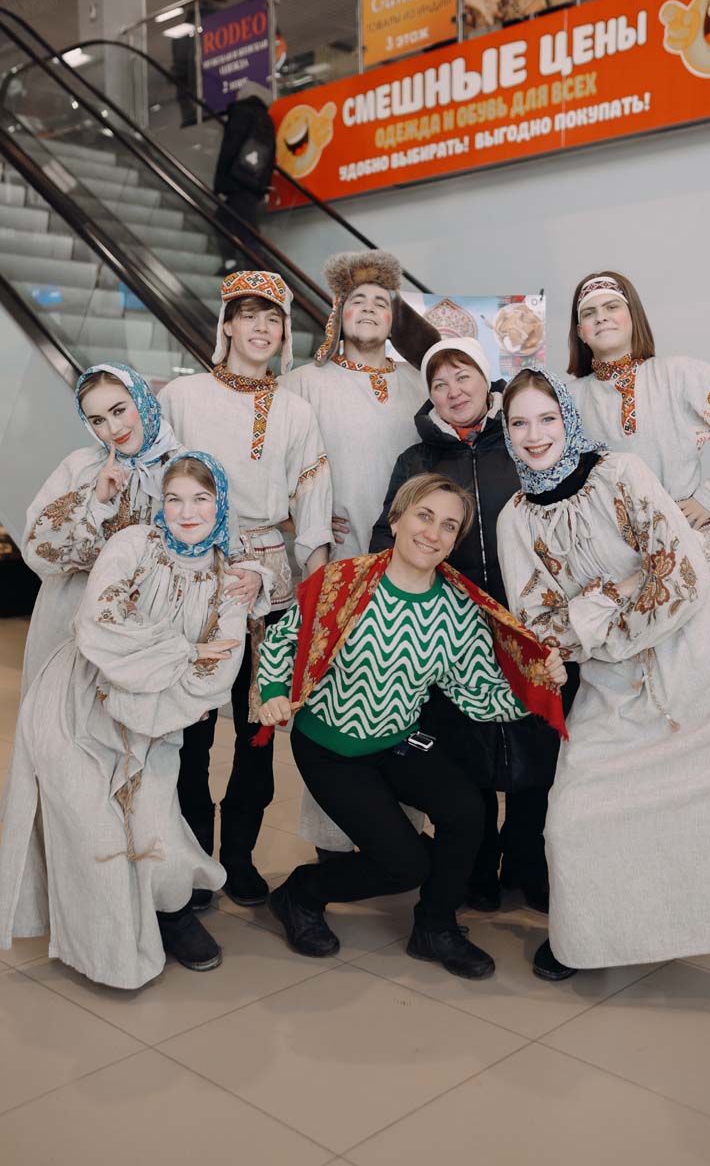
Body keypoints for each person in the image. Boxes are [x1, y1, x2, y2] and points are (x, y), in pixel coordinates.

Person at [497, 368, 710, 980]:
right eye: (519, 423)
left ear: (568, 421)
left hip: (702, 655)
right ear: (505, 432)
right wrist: (615, 596)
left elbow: (680, 576)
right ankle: (588, 938)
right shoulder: (516, 519)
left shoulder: (621, 473)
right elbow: (542, 622)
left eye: (548, 418)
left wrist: (592, 618)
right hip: (614, 681)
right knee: (577, 814)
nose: (535, 435)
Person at [256, 473, 567, 979]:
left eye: (449, 525)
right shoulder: (343, 582)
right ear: (396, 519)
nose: (433, 533)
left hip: (398, 740)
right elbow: (282, 640)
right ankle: (300, 893)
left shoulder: (457, 608)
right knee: (405, 865)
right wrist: (272, 693)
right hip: (331, 748)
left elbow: (479, 692)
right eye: (425, 516)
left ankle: (435, 926)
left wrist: (541, 682)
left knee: (467, 812)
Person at [0, 453, 248, 988]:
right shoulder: (133, 543)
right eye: (174, 498)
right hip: (73, 703)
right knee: (93, 829)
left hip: (155, 722)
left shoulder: (230, 579)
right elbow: (100, 624)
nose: (186, 512)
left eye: (201, 499)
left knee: (157, 829)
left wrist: (156, 671)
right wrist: (184, 650)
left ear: (220, 504)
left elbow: (216, 674)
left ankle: (171, 916)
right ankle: (108, 952)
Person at [371, 337, 579, 912]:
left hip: (531, 623)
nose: (453, 391)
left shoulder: (520, 442)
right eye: (439, 383)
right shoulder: (417, 460)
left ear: (486, 380)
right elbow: (389, 534)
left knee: (541, 744)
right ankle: (477, 866)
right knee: (466, 753)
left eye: (462, 376)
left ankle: (529, 862)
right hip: (452, 627)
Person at [158, 270, 332, 909]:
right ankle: (192, 860)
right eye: (249, 315)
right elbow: (157, 486)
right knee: (192, 729)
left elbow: (312, 500)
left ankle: (238, 858)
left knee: (260, 728)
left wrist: (315, 594)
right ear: (226, 324)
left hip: (270, 577)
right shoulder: (182, 396)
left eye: (274, 319)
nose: (262, 328)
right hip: (192, 575)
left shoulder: (296, 410)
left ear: (284, 333)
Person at [280, 249, 439, 854]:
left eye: (381, 302)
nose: (370, 309)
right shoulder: (304, 384)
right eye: (358, 301)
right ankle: (335, 842)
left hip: (412, 563)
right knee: (338, 692)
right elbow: (280, 467)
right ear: (337, 314)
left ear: (394, 317)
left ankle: (399, 838)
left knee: (403, 688)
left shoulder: (417, 382)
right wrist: (301, 518)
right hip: (342, 562)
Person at [566, 272, 710, 580]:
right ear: (580, 332)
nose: (601, 317)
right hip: (611, 562)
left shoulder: (676, 375)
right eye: (589, 313)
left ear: (633, 317)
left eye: (612, 307)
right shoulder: (568, 398)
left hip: (687, 551)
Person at [21, 363, 182, 693]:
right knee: (65, 711)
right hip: (71, 616)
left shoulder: (184, 467)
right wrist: (94, 500)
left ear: (142, 400)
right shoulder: (81, 466)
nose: (113, 428)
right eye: (97, 420)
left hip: (148, 623)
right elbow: (37, 552)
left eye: (119, 410)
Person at [213, 80, 276, 273]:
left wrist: (220, 182)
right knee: (229, 222)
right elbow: (270, 156)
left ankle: (253, 272)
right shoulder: (266, 119)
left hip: (236, 182)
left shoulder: (241, 112)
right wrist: (262, 186)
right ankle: (235, 265)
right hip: (253, 184)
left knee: (239, 228)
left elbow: (230, 148)